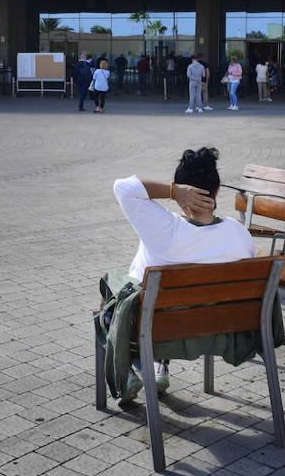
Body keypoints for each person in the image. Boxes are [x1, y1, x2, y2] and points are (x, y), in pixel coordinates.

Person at [108, 147, 256, 397]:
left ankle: (129, 369)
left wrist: (172, 191)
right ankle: (157, 366)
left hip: (155, 330)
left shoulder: (165, 229)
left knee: (111, 295)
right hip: (216, 330)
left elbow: (122, 187)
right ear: (217, 191)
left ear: (182, 194)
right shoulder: (239, 233)